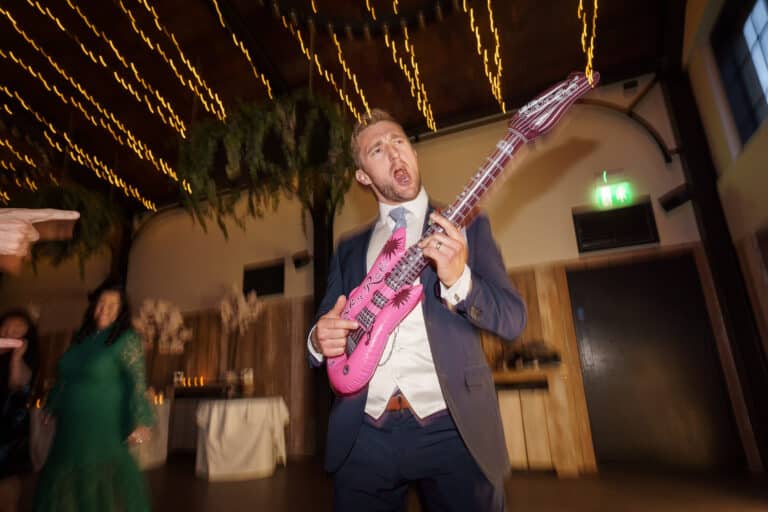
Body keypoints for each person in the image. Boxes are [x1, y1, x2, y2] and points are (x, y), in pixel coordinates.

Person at [308, 109, 526, 511]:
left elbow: (513, 319)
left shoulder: (469, 227)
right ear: (362, 176)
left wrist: (460, 281)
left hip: (452, 428)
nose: (394, 154)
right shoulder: (348, 249)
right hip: (363, 434)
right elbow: (327, 321)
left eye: (399, 141)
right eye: (377, 149)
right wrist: (319, 338)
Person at [34, 280, 153, 512]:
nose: (104, 309)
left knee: (98, 477)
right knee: (66, 473)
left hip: (103, 421)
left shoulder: (126, 340)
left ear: (121, 311)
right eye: (100, 303)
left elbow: (137, 382)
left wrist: (141, 420)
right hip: (70, 424)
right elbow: (65, 377)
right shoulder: (81, 339)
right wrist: (52, 405)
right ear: (92, 306)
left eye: (112, 305)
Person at [0, 309, 39, 512]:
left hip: (8, 436)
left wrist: (16, 357)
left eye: (17, 331)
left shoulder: (24, 361)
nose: (9, 332)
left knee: (6, 495)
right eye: (7, 326)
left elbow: (17, 383)